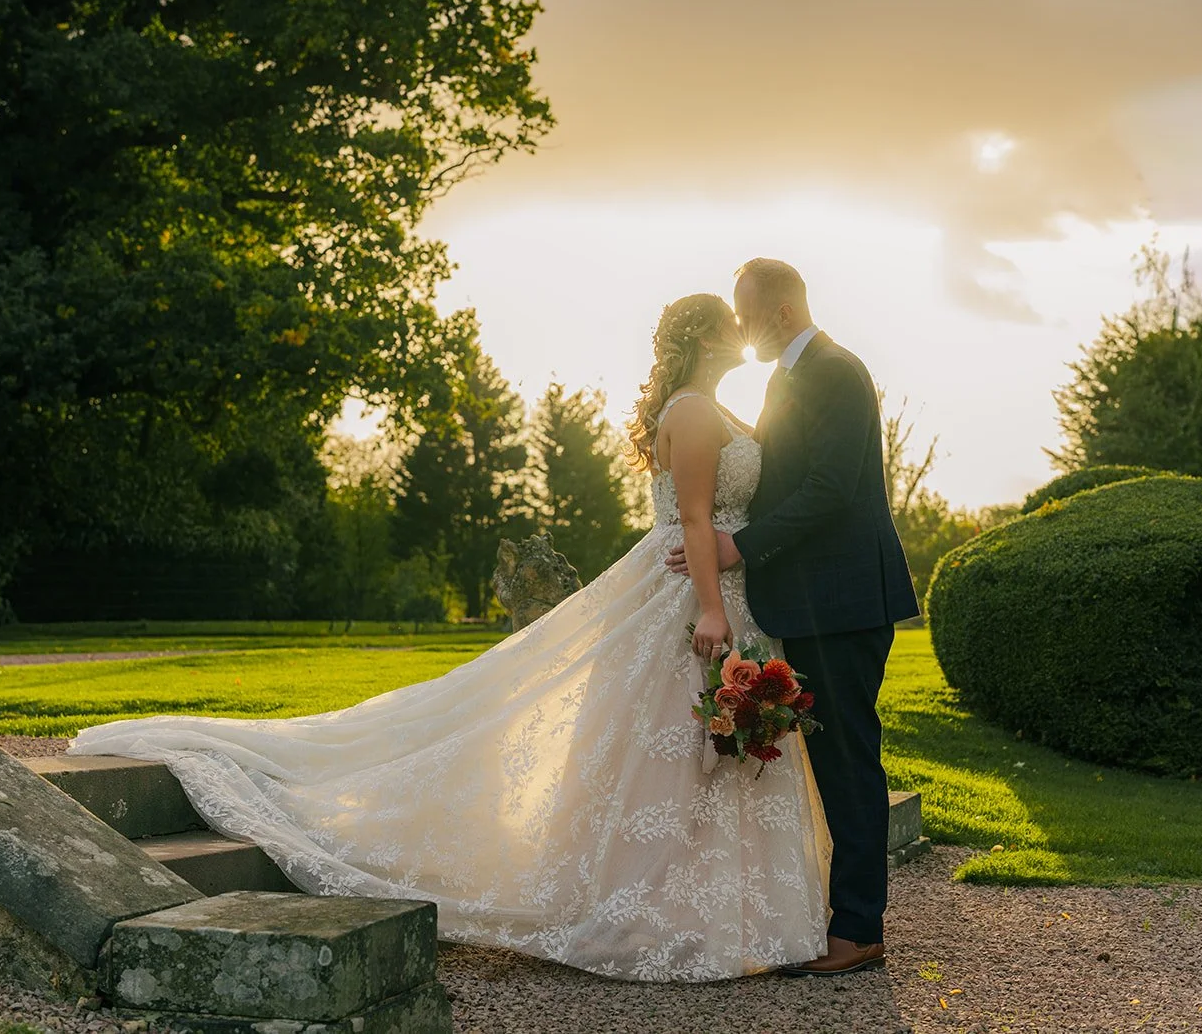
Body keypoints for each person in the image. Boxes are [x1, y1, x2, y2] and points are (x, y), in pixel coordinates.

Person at [67, 293, 833, 982]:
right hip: (692, 598)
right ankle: (649, 908)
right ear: (705, 336)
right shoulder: (695, 412)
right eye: (730, 322)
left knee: (700, 759)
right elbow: (695, 518)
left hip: (732, 591)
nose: (744, 330)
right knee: (669, 754)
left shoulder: (723, 410)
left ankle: (713, 911)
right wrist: (709, 610)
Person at [666, 258, 919, 976]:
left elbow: (831, 487)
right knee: (832, 760)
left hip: (842, 600)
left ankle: (860, 928)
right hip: (811, 598)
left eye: (747, 319)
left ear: (779, 313)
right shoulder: (787, 378)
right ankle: (844, 915)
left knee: (848, 761)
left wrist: (738, 543)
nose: (743, 334)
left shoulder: (835, 372)